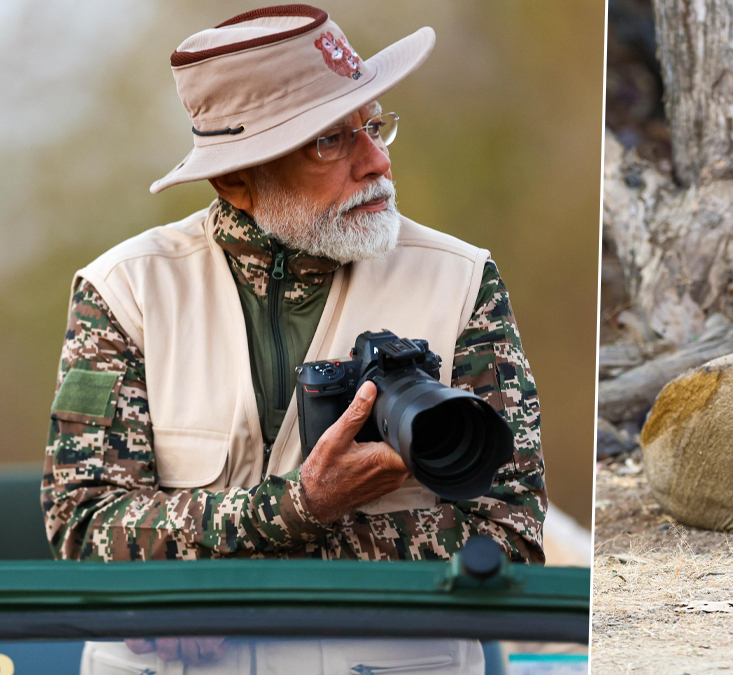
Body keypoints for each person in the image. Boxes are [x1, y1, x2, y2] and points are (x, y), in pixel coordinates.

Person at [40, 5, 546, 673]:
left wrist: (215, 585)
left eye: (373, 123)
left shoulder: (462, 278)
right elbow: (83, 526)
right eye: (330, 141)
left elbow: (511, 533)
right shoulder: (124, 290)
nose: (377, 160)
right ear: (235, 179)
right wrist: (301, 506)